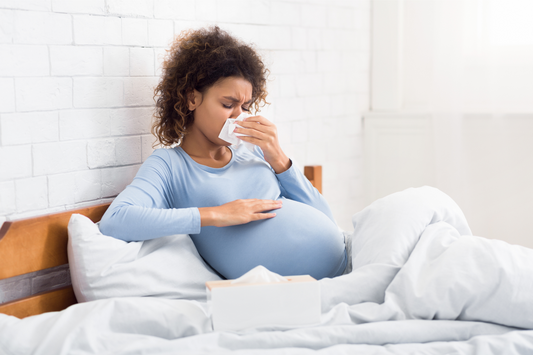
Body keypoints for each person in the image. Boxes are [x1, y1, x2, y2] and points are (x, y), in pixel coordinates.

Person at [99, 26, 347, 280]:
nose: (238, 116)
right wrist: (217, 214)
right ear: (192, 99)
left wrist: (279, 159)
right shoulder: (170, 165)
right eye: (228, 104)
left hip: (344, 265)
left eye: (245, 106)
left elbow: (326, 219)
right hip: (296, 290)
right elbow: (115, 221)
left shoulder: (253, 152)